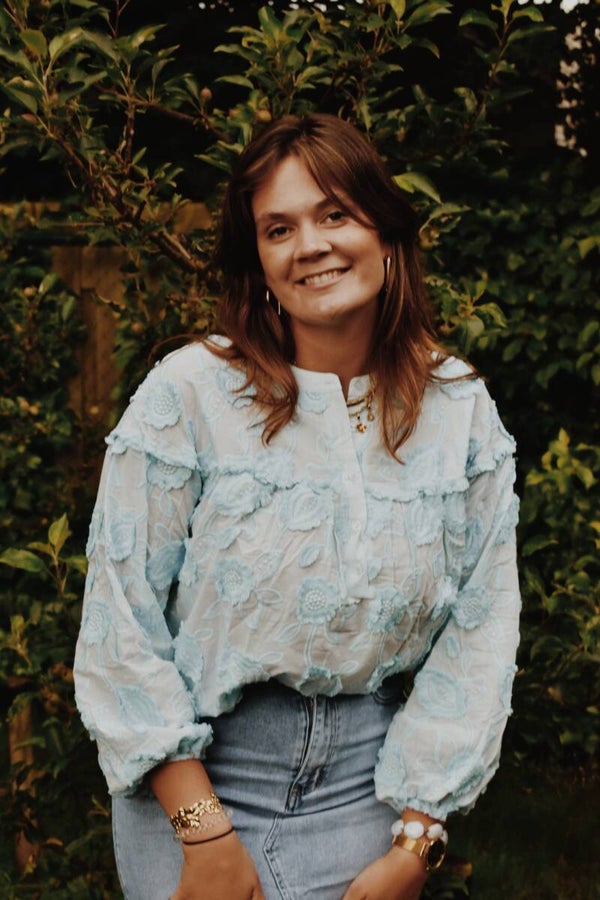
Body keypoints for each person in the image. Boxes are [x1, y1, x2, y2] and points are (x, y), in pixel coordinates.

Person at [74, 112, 521, 900]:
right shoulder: (189, 395)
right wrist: (204, 836)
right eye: (278, 228)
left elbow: (480, 636)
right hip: (197, 782)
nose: (309, 244)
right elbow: (121, 620)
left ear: (385, 230)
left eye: (334, 214)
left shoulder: (461, 412)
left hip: (368, 790)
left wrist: (418, 841)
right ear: (260, 262)